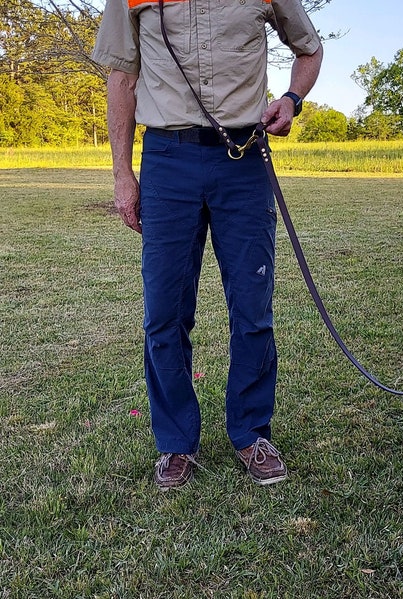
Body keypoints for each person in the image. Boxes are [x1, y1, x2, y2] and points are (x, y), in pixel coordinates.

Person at [92, 0, 323, 490]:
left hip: (244, 157)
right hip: (165, 159)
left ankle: (251, 432)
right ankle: (176, 443)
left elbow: (309, 48)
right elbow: (122, 78)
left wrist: (292, 99)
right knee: (164, 313)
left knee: (253, 308)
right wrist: (121, 176)